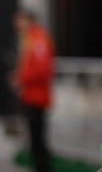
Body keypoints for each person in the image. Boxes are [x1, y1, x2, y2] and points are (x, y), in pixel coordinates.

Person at [10, 9, 55, 172]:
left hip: (37, 97)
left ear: (28, 20)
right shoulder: (29, 38)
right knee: (35, 138)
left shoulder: (38, 39)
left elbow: (42, 70)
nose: (16, 24)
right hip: (30, 95)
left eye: (19, 20)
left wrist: (21, 79)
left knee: (38, 139)